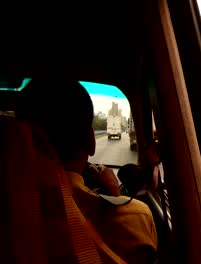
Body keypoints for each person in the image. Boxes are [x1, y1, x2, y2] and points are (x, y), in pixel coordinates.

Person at [15, 78, 157, 263]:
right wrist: (114, 196)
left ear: (17, 139)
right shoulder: (134, 217)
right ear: (91, 141)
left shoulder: (14, 211)